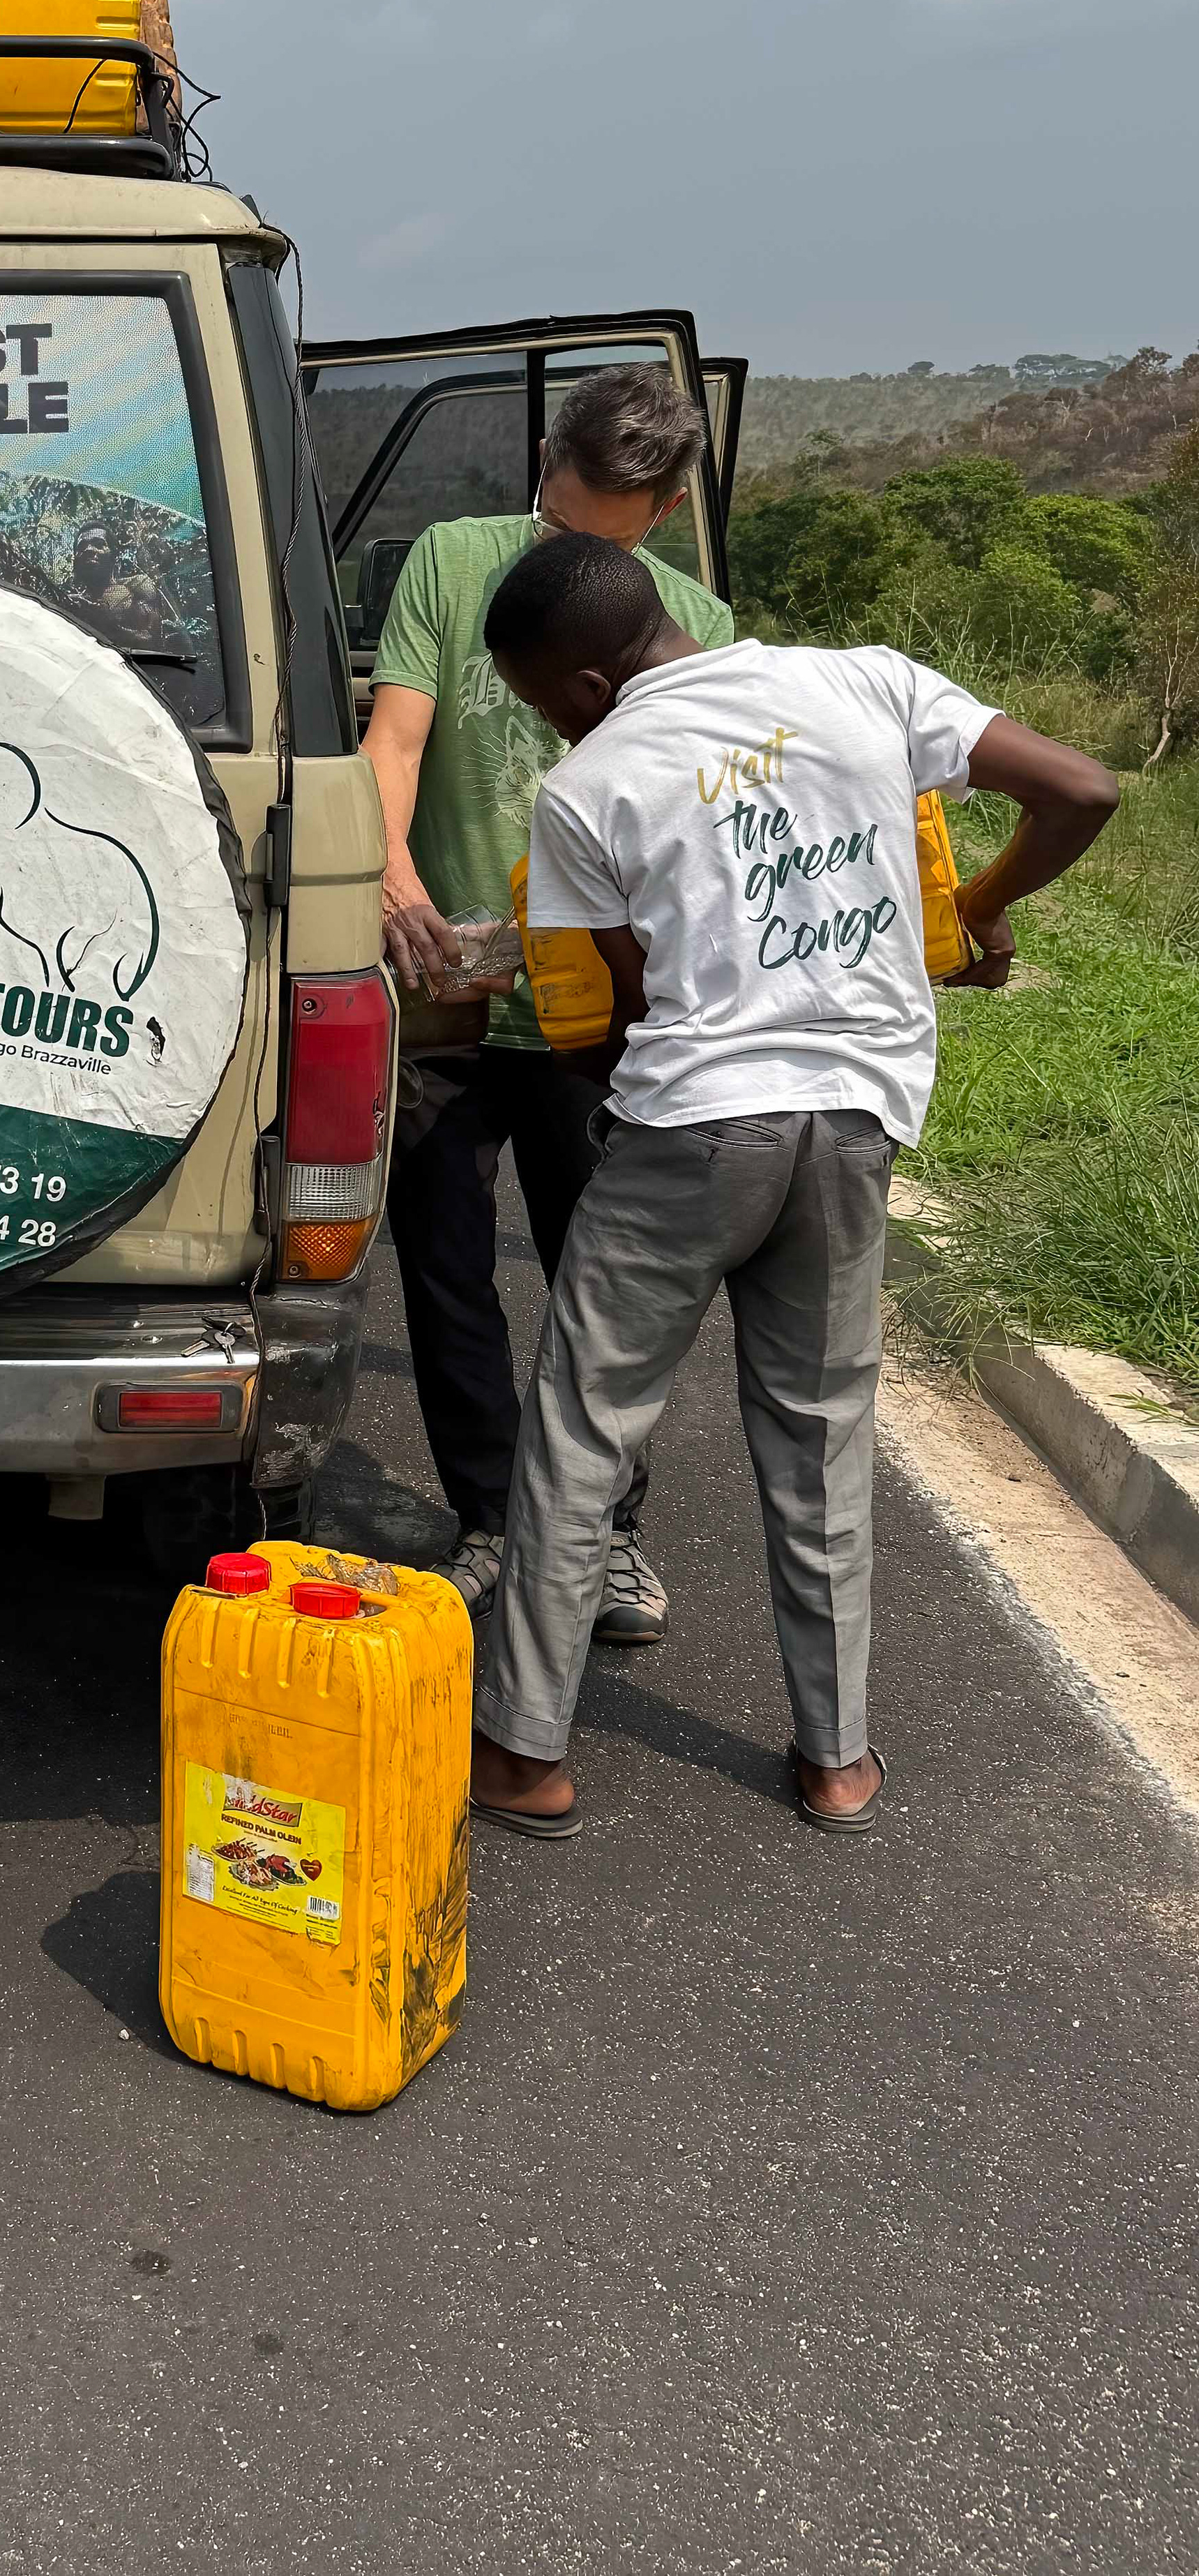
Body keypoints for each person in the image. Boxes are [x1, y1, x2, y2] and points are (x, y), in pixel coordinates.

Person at [467, 532, 1117, 1838]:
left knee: (586, 1426)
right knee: (820, 1435)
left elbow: (615, 1021)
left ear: (585, 686)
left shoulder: (590, 782)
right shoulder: (869, 682)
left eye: (541, 701)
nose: (550, 722)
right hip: (860, 1117)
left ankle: (530, 1753)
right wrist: (973, 915)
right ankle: (836, 1758)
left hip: (691, 1135)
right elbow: (1082, 788)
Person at [363, 367, 734, 1631]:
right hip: (450, 995)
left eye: (611, 541)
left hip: (609, 1019)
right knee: (448, 1267)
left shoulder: (702, 621)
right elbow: (395, 744)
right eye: (568, 521)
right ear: (541, 455)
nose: (580, 558)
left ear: (669, 513)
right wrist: (395, 879)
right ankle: (486, 1514)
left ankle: (607, 1533)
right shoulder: (455, 561)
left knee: (608, 1279)